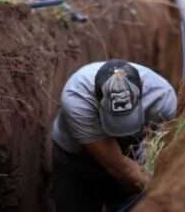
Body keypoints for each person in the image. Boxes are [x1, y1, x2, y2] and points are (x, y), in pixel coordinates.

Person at [50, 59, 177, 211]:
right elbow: (121, 168)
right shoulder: (77, 97)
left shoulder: (162, 97)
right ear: (97, 99)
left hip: (132, 153)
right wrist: (157, 191)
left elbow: (161, 150)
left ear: (142, 91)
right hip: (76, 157)